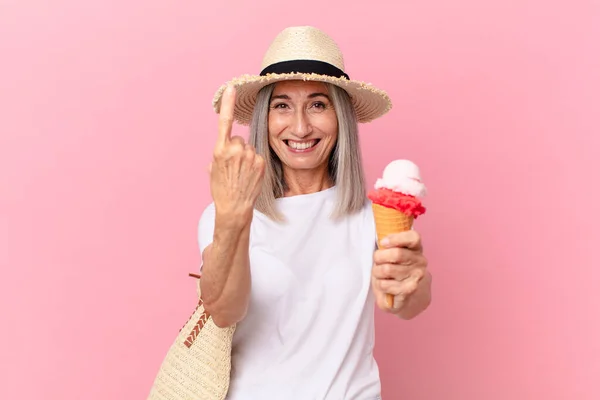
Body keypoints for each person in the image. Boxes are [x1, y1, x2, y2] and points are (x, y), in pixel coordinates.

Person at [197, 26, 432, 400]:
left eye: (318, 104)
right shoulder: (224, 213)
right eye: (282, 105)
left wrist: (412, 283)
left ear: (340, 117)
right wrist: (232, 217)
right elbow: (225, 310)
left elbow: (408, 305)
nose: (301, 126)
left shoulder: (372, 215)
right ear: (264, 118)